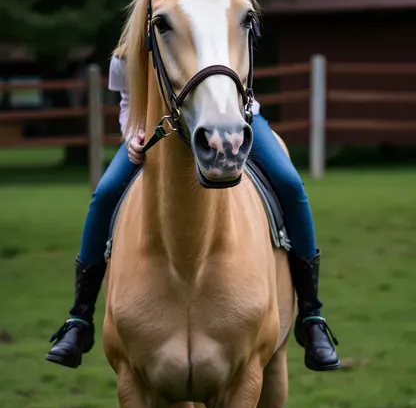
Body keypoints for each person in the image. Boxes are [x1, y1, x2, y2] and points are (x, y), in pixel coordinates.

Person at [46, 50, 340, 372]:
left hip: (237, 122)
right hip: (162, 129)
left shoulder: (222, 17)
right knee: (103, 195)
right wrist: (132, 136)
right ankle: (80, 318)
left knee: (290, 184)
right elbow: (129, 102)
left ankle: (311, 316)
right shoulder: (129, 50)